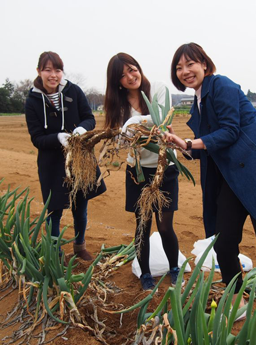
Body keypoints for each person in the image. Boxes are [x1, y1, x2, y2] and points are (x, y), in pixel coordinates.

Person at [165, 43, 256, 333]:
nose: (185, 71)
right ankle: (237, 302)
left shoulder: (220, 85)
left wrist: (189, 143)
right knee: (224, 242)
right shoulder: (198, 101)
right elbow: (204, 147)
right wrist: (180, 144)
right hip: (232, 180)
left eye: (190, 64)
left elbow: (230, 130)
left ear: (205, 65)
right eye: (179, 67)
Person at [104, 53, 181, 290]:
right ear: (117, 81)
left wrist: (133, 125)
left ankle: (174, 268)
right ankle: (146, 273)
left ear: (138, 67)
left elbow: (162, 121)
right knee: (142, 224)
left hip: (163, 165)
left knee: (165, 224)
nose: (130, 77)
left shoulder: (157, 89)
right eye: (123, 75)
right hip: (137, 171)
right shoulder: (118, 104)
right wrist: (126, 133)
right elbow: (122, 140)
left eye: (132, 69)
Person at [25, 51, 106, 261]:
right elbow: (37, 138)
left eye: (58, 70)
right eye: (48, 70)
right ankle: (55, 252)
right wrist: (57, 138)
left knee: (81, 206)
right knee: (54, 210)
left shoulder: (74, 91)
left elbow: (89, 118)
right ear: (39, 71)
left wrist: (81, 128)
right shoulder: (32, 101)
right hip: (51, 163)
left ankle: (80, 246)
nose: (53, 75)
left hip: (79, 159)